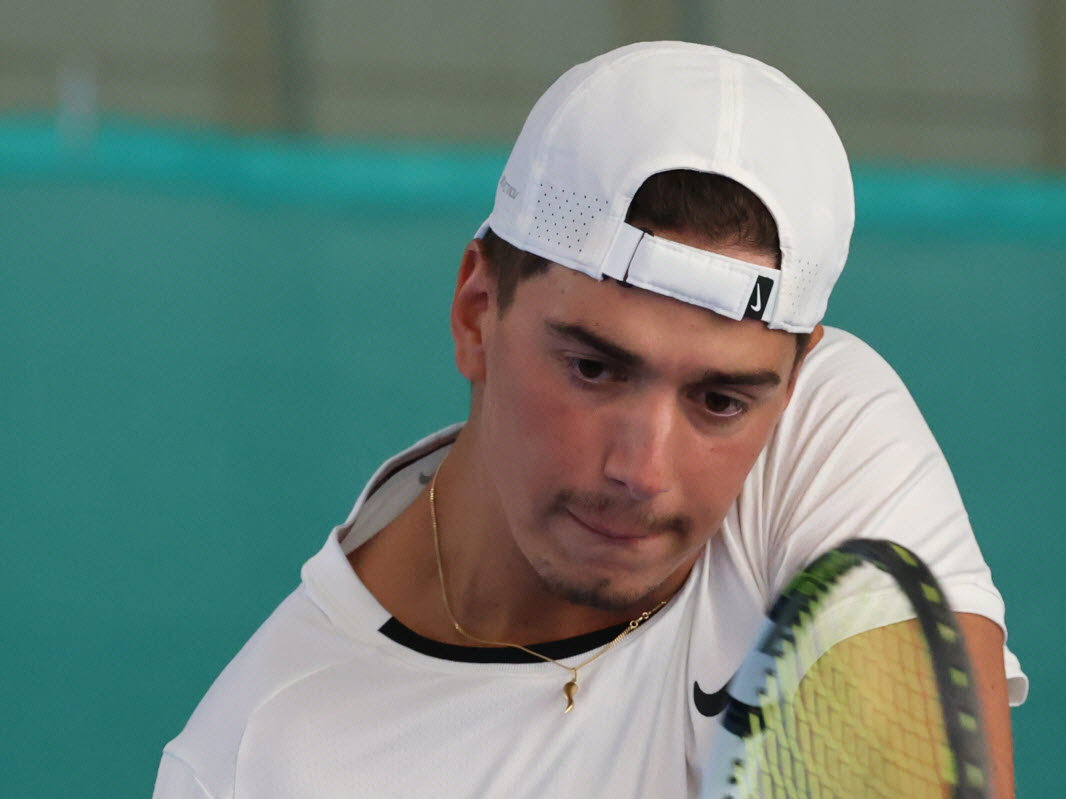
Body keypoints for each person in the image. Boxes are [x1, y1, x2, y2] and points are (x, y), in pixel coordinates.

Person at [153, 42, 1026, 798]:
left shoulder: (824, 430)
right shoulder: (247, 762)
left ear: (791, 384)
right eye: (595, 368)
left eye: (720, 401)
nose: (642, 472)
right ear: (476, 312)